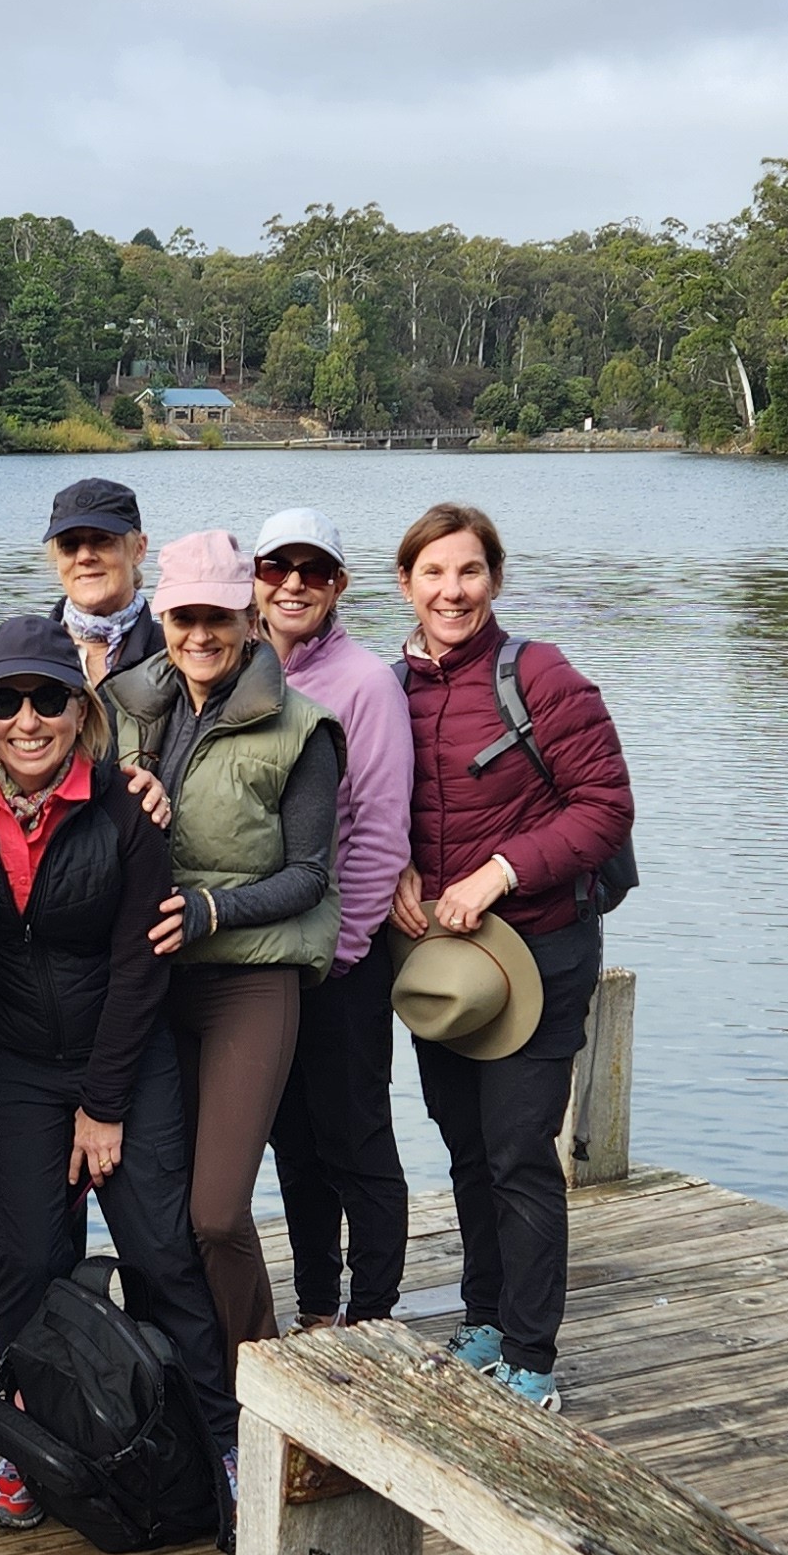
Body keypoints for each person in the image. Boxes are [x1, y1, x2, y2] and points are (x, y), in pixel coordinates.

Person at [0, 616, 239, 1529]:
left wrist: (103, 1104)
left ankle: (219, 1438)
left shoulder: (125, 806)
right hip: (8, 1065)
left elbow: (138, 963)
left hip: (124, 1053)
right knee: (29, 1261)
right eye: (5, 700)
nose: (27, 720)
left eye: (48, 699)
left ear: (81, 710)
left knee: (161, 1250)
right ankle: (32, 1445)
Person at [391, 502, 635, 1412]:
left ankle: (532, 1355)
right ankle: (485, 1314)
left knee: (519, 1151)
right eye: (433, 574)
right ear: (406, 584)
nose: (451, 592)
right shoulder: (394, 688)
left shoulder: (539, 674)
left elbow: (605, 807)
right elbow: (382, 806)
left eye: (469, 572)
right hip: (444, 967)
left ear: (493, 578)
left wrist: (498, 872)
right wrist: (402, 867)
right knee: (464, 1145)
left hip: (539, 950)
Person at [106, 530, 343, 1383]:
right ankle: (178, 1380)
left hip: (249, 981)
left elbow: (312, 877)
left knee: (215, 1212)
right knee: (154, 1213)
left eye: (217, 616)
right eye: (183, 617)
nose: (199, 634)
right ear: (162, 617)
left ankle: (264, 1382)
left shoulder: (303, 729)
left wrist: (212, 910)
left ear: (249, 617)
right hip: (147, 984)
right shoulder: (122, 704)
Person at [252, 510, 416, 1329]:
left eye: (312, 571)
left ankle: (373, 1309)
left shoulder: (366, 684)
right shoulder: (244, 673)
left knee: (357, 1142)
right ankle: (317, 1307)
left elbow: (383, 831)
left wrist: (340, 952)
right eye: (277, 567)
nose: (292, 584)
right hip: (264, 960)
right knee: (293, 1145)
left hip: (340, 963)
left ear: (339, 586)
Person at [44, 478, 163, 690]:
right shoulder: (29, 654)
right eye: (69, 545)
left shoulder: (174, 656)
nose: (84, 556)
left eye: (101, 540)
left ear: (139, 549)